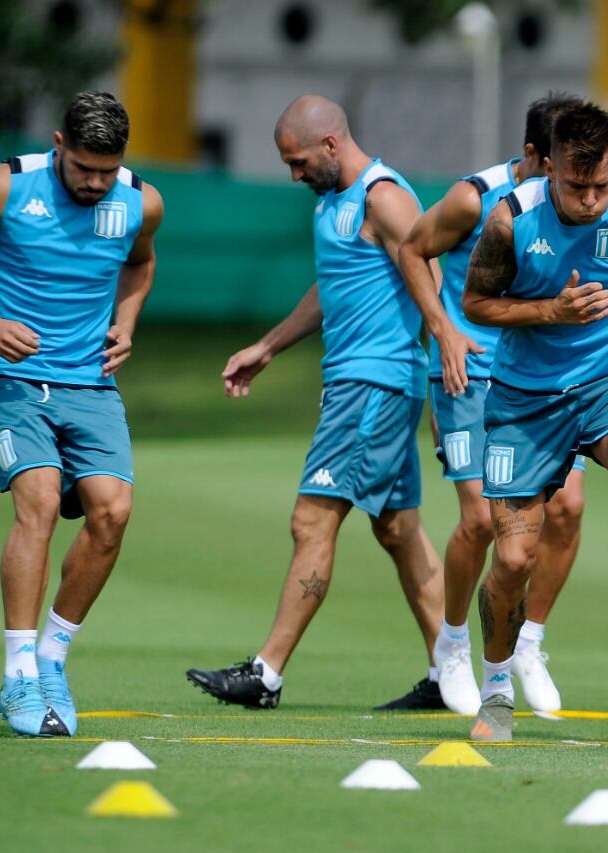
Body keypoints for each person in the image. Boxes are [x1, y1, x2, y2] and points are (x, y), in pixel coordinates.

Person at [185, 95, 446, 711]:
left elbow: (430, 289)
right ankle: (452, 673)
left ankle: (265, 674)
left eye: (298, 161)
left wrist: (447, 391)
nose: (294, 175)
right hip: (361, 384)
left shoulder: (384, 198)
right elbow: (334, 286)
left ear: (330, 144)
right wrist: (269, 346)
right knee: (399, 529)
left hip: (373, 385)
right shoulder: (333, 203)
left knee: (311, 521)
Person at [0, 91, 163, 737]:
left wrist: (127, 321)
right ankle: (19, 673)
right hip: (10, 374)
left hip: (89, 379)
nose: (95, 182)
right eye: (84, 167)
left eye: (107, 171)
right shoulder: (3, 187)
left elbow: (141, 264)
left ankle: (53, 656)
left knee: (112, 510)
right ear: (59, 144)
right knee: (38, 501)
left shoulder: (141, 200)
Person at [459, 101, 608, 741]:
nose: (590, 200)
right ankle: (497, 691)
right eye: (576, 186)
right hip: (525, 400)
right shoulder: (509, 222)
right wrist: (549, 313)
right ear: (549, 166)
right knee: (512, 559)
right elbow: (476, 302)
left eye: (601, 185)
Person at [396, 94, 588, 716]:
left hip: (548, 383)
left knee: (568, 511)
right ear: (535, 154)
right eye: (560, 164)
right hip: (468, 376)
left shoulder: (579, 207)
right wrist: (443, 330)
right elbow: (411, 249)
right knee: (481, 520)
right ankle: (451, 645)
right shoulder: (473, 199)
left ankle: (528, 640)